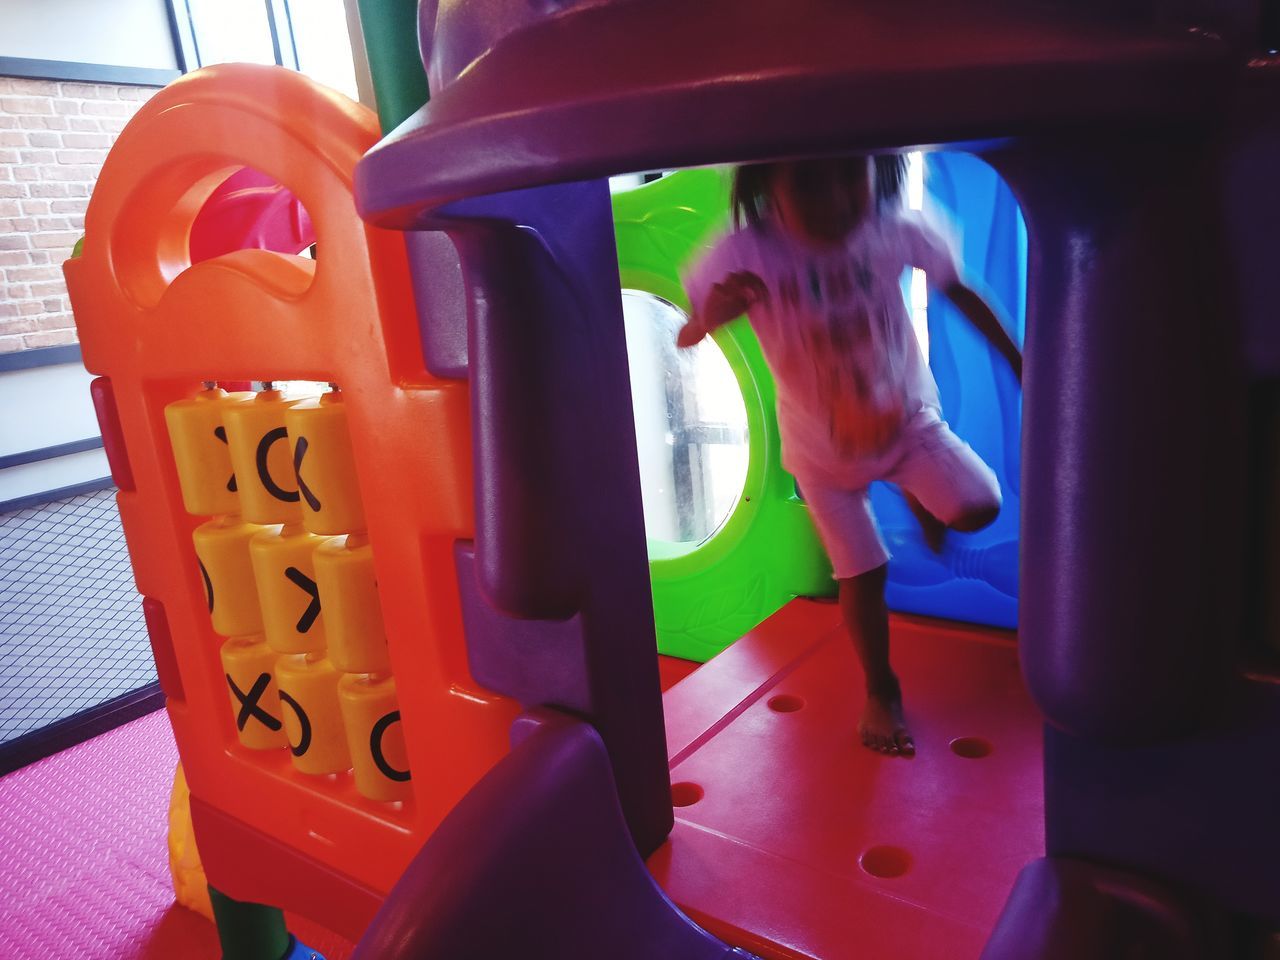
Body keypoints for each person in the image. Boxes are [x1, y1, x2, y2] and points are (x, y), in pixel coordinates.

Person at [679, 156, 1022, 756]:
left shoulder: (894, 229)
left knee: (978, 506)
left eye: (848, 174)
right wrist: (715, 312)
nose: (835, 198)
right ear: (766, 184)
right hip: (823, 456)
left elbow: (962, 291)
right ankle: (881, 689)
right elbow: (688, 332)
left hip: (906, 425)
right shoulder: (747, 254)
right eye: (809, 179)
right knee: (863, 573)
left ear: (877, 167)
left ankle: (914, 489)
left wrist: (1020, 359)